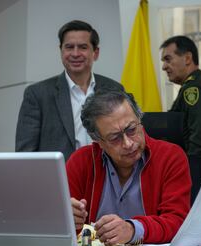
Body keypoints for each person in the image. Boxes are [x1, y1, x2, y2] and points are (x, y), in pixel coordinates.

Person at [67, 89, 191, 245]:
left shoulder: (171, 157)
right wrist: (67, 220)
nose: (128, 143)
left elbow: (177, 222)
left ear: (139, 119)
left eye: (132, 129)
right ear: (98, 140)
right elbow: (68, 232)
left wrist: (133, 230)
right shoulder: (80, 162)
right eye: (115, 137)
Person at [15, 20, 123, 161]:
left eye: (83, 47)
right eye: (69, 47)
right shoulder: (37, 94)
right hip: (58, 180)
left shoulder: (114, 89)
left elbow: (124, 138)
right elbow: (25, 154)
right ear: (61, 51)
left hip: (107, 178)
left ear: (95, 52)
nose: (75, 53)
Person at [160, 35, 201, 203]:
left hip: (200, 176)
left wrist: (191, 185)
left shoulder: (194, 89)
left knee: (195, 229)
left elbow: (200, 140)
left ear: (187, 58)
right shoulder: (195, 86)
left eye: (168, 59)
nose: (164, 67)